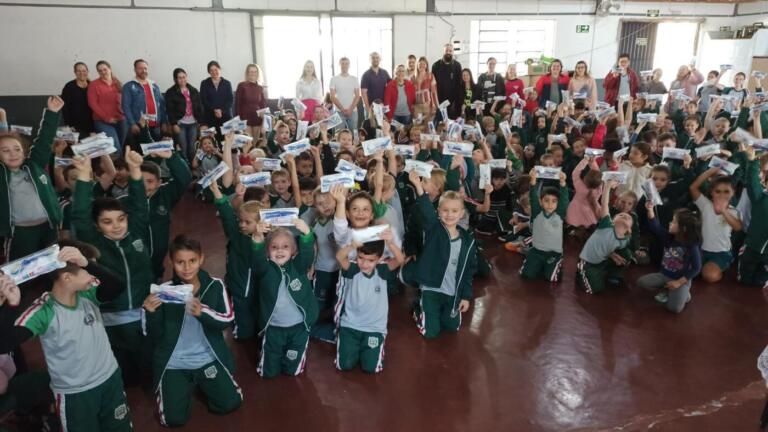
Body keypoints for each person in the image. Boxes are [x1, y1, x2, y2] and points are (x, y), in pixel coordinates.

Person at [1, 246, 133, 432]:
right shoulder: (43, 311)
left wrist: (86, 263)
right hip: (75, 395)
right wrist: (12, 306)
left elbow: (118, 285)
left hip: (110, 380)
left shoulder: (89, 293)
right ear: (67, 278)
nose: (93, 274)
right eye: (87, 269)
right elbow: (4, 344)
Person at [71, 149, 153, 383]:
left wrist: (135, 170)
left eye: (120, 219)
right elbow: (80, 216)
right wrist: (84, 175)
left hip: (142, 314)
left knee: (147, 369)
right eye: (107, 222)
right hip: (110, 319)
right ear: (97, 226)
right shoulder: (94, 243)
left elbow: (139, 206)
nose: (116, 226)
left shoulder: (136, 234)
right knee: (123, 375)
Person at [142, 235, 242, 427]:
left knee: (230, 404)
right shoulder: (163, 291)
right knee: (173, 420)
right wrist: (149, 312)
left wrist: (202, 312)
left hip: (206, 357)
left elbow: (227, 319)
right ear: (171, 262)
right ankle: (184, 386)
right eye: (180, 262)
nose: (187, 268)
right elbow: (152, 334)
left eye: (192, 261)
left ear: (201, 259)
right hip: (174, 363)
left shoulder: (215, 285)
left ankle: (202, 381)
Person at [406, 171, 477, 339]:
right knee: (430, 333)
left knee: (452, 327)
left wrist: (465, 296)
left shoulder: (467, 241)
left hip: (452, 291)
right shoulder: (434, 229)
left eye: (454, 211)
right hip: (431, 289)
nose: (449, 214)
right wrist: (418, 187)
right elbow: (427, 211)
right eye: (445, 210)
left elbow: (468, 272)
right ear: (438, 211)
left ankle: (431, 310)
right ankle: (418, 308)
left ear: (462, 213)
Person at [251, 220, 319, 378]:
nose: (279, 251)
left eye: (285, 246)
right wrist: (257, 237)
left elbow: (308, 254)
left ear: (294, 250)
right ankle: (268, 357)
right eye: (274, 247)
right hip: (274, 327)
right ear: (267, 251)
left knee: (292, 369)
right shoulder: (265, 269)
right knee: (268, 372)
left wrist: (306, 233)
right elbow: (256, 259)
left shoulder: (298, 266)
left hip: (299, 327)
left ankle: (291, 362)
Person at [0, 97, 64, 262]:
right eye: (5, 150)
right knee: (19, 274)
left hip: (48, 228)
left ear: (24, 151)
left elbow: (44, 140)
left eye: (17, 149)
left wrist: (52, 113)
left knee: (52, 269)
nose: (13, 153)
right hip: (19, 233)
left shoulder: (33, 165)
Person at [334, 238, 403, 373]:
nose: (364, 264)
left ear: (379, 258)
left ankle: (366, 349)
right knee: (344, 365)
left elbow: (400, 259)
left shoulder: (382, 271)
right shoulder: (353, 269)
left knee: (371, 368)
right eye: (361, 258)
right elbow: (339, 256)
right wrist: (352, 245)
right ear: (357, 254)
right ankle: (352, 346)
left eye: (371, 260)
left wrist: (390, 242)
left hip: (374, 328)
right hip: (351, 325)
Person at [638, 206, 702, 313]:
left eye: (674, 221)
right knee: (641, 282)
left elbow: (696, 268)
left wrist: (678, 283)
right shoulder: (669, 237)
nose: (670, 223)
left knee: (674, 308)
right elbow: (655, 226)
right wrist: (650, 209)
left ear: (683, 228)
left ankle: (685, 293)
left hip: (680, 280)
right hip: (664, 275)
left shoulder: (692, 245)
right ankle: (667, 289)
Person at [576, 180, 634, 294]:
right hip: (587, 261)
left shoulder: (624, 241)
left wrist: (613, 255)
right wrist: (607, 187)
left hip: (600, 261)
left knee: (626, 255)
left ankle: (610, 274)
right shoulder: (607, 225)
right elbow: (605, 204)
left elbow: (609, 245)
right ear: (613, 220)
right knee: (592, 290)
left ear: (629, 229)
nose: (624, 216)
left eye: (628, 217)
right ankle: (580, 272)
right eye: (621, 215)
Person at [520, 169, 569, 282]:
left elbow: (564, 200)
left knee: (551, 278)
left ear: (558, 203)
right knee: (527, 275)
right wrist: (533, 181)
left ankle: (553, 264)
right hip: (537, 252)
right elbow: (533, 198)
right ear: (541, 202)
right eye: (546, 201)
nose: (550, 204)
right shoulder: (537, 212)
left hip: (553, 253)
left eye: (554, 201)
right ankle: (538, 264)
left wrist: (562, 183)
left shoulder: (559, 214)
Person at [122, 59, 167, 145]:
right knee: (142, 154)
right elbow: (125, 107)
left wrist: (164, 122)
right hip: (140, 126)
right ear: (135, 70)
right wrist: (132, 124)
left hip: (156, 126)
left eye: (145, 68)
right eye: (140, 68)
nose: (143, 71)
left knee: (156, 153)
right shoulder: (128, 86)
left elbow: (161, 105)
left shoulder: (154, 85)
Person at [165, 67, 204, 163]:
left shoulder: (193, 90)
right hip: (180, 124)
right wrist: (174, 124)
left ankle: (192, 167)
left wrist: (200, 122)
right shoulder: (171, 92)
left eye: (184, 77)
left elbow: (199, 107)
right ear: (175, 79)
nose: (182, 79)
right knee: (183, 147)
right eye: (180, 77)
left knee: (192, 146)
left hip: (193, 123)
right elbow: (169, 110)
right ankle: (184, 167)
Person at [87, 60, 127, 153]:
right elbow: (92, 103)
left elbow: (124, 101)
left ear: (110, 69)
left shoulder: (118, 83)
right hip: (102, 121)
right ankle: (120, 166)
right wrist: (107, 118)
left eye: (105, 69)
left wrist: (126, 115)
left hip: (121, 120)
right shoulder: (94, 85)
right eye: (100, 71)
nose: (103, 72)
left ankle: (118, 166)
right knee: (115, 147)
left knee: (120, 146)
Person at [61, 62, 94, 139]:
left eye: (84, 70)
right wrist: (70, 125)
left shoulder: (93, 85)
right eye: (78, 71)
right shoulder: (69, 87)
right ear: (75, 72)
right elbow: (65, 108)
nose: (81, 73)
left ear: (87, 71)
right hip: (76, 126)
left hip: (93, 125)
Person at [200, 60, 234, 134]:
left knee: (226, 140)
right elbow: (204, 100)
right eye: (211, 70)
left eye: (216, 69)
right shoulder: (204, 83)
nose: (214, 72)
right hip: (210, 116)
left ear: (219, 69)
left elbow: (230, 100)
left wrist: (221, 111)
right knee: (213, 140)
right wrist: (214, 110)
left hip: (225, 116)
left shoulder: (227, 83)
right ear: (209, 72)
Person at [431, 43, 463, 119]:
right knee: (440, 124)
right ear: (443, 51)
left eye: (450, 51)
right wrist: (434, 102)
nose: (448, 52)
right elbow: (433, 86)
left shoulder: (457, 66)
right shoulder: (436, 65)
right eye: (446, 50)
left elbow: (459, 84)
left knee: (452, 124)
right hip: (439, 101)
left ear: (453, 52)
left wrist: (456, 102)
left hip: (453, 102)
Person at [235, 64, 267, 138]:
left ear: (258, 73)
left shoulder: (260, 87)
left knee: (256, 143)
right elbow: (237, 104)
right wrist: (238, 120)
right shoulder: (241, 85)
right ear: (247, 73)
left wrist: (264, 119)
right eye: (251, 71)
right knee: (248, 142)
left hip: (257, 118)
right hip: (244, 119)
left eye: (255, 72)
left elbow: (263, 105)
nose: (253, 73)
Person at [330, 57, 361, 131]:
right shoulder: (334, 79)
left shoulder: (354, 79)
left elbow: (357, 96)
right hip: (338, 111)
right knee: (338, 135)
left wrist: (350, 109)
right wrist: (342, 109)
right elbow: (332, 97)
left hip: (353, 111)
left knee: (354, 134)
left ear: (349, 65)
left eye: (346, 64)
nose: (344, 66)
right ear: (339, 65)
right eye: (342, 64)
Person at [360, 52, 391, 120]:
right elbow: (363, 93)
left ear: (380, 59)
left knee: (383, 127)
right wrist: (368, 109)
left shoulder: (384, 73)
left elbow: (391, 86)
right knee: (371, 128)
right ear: (370, 60)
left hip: (383, 107)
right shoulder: (366, 75)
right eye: (373, 58)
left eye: (377, 58)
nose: (375, 59)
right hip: (371, 107)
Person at [412, 56, 438, 123]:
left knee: (428, 128)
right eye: (420, 64)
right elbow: (410, 94)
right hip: (416, 107)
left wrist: (434, 106)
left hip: (427, 106)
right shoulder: (413, 78)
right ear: (417, 65)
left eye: (424, 64)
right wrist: (411, 106)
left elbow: (434, 92)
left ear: (426, 66)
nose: (422, 65)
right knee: (417, 127)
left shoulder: (430, 76)